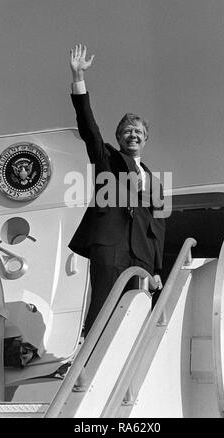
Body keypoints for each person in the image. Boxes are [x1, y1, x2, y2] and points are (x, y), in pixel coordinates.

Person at [68, 44, 166, 336]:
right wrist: (78, 78)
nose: (132, 135)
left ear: (145, 139)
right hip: (110, 246)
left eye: (138, 132)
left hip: (143, 257)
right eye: (127, 131)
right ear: (119, 137)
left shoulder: (156, 182)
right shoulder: (107, 159)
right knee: (104, 309)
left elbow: (158, 227)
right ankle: (88, 358)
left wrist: (158, 268)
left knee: (136, 316)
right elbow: (88, 127)